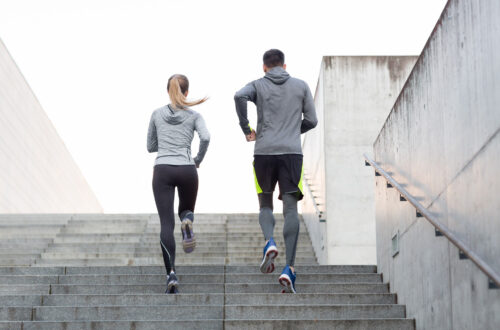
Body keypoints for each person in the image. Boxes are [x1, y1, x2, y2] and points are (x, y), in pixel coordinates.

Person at [234, 49, 317, 293]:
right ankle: (288, 268)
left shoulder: (258, 85)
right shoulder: (301, 86)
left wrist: (246, 128)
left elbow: (239, 96)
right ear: (284, 65)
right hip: (292, 154)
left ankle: (269, 241)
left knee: (265, 204)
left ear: (264, 67)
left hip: (263, 153)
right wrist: (292, 130)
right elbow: (312, 120)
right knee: (290, 208)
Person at [147, 74, 210, 294]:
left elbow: (150, 146)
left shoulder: (157, 114)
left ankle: (171, 274)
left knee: (166, 224)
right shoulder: (194, 115)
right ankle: (187, 220)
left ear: (168, 91)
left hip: (162, 169)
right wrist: (197, 160)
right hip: (187, 168)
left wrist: (165, 142)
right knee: (185, 210)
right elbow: (206, 137)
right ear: (187, 92)